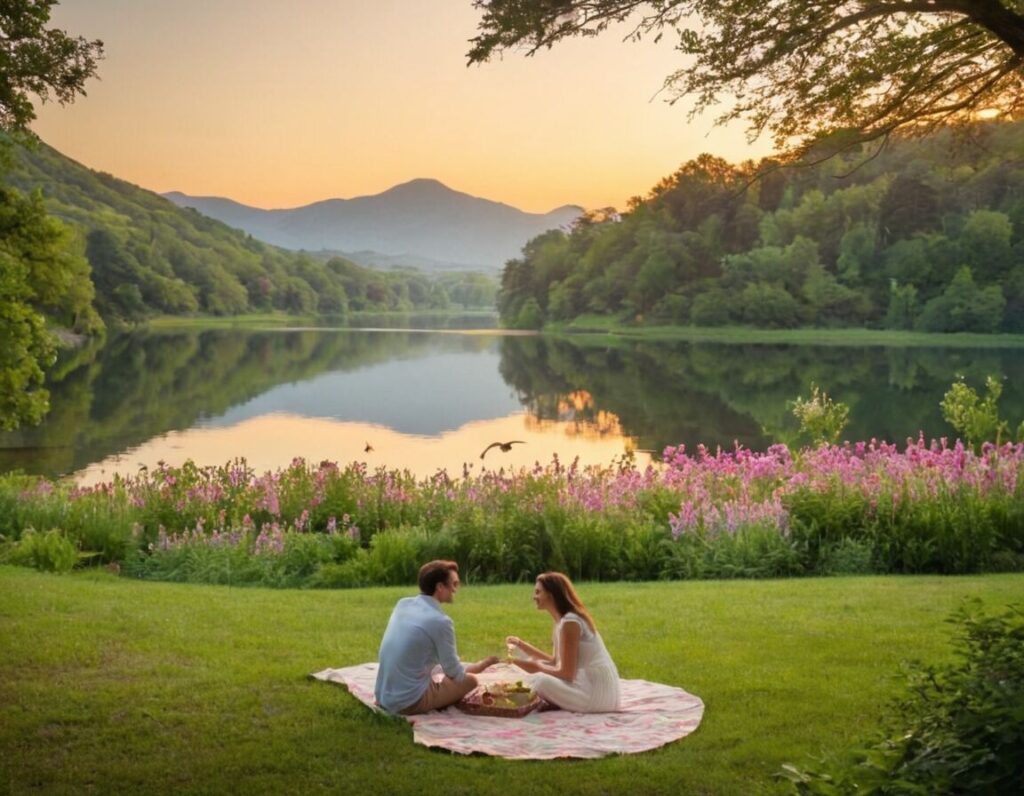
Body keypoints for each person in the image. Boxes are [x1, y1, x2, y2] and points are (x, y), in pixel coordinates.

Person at [374, 559, 499, 715]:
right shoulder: (441, 622)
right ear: (440, 587)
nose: (456, 589)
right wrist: (480, 666)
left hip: (383, 695)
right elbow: (454, 673)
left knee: (438, 670)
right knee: (471, 681)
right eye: (454, 584)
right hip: (407, 702)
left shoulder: (403, 604)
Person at [505, 572, 620, 712]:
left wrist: (532, 666)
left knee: (539, 680)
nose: (534, 597)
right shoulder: (562, 622)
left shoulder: (570, 622)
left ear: (551, 594)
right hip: (591, 688)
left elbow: (566, 673)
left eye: (538, 592)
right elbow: (555, 661)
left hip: (596, 693)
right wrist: (521, 645)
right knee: (534, 676)